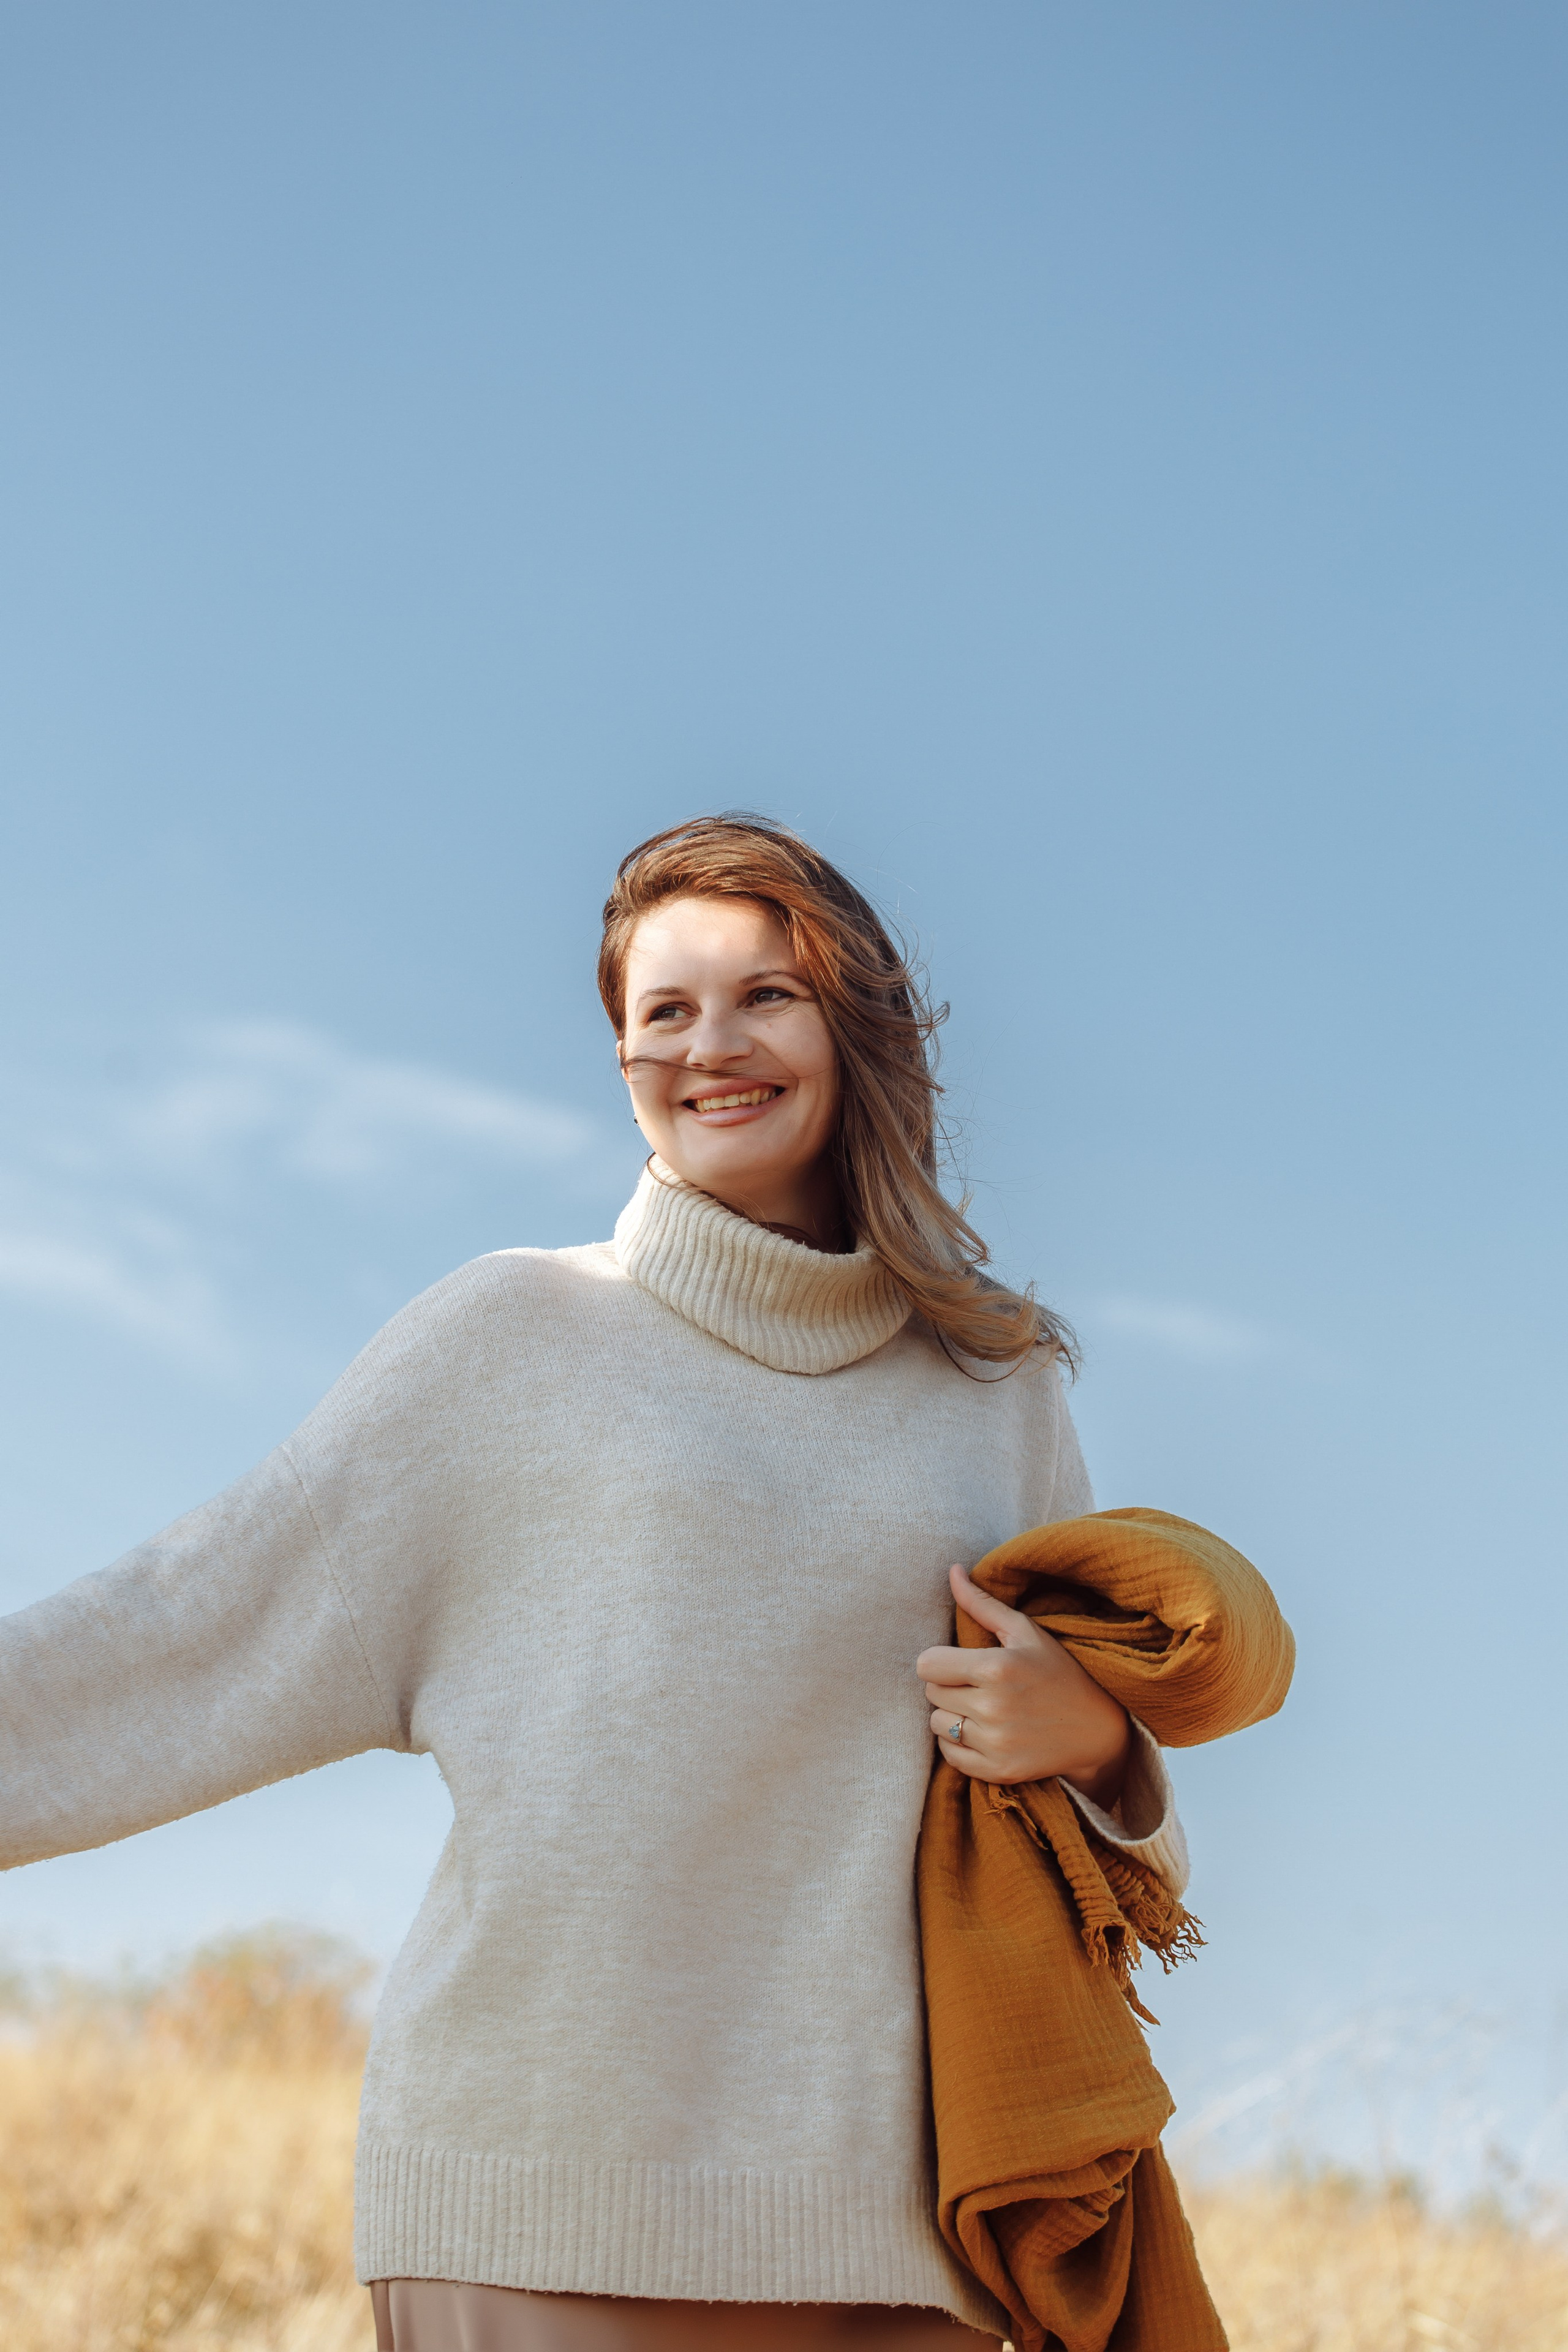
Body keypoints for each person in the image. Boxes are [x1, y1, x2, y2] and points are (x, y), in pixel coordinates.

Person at [0, 815, 1191, 2350]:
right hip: (542, 2206)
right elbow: (191, 1627)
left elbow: (1113, 1843)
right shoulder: (510, 1335)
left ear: (857, 1026)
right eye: (663, 1011)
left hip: (900, 2239)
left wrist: (1096, 1746)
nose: (711, 1046)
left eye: (765, 995)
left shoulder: (993, 1387)